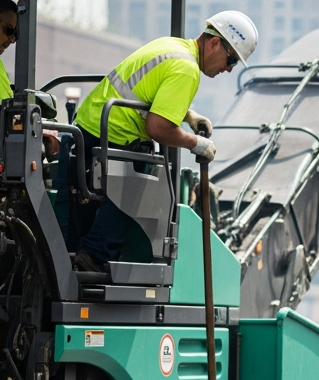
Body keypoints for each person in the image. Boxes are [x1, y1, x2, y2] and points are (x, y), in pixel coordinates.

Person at [68, 11, 258, 272]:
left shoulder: (172, 45)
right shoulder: (188, 69)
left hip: (89, 125)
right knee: (142, 185)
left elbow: (147, 90)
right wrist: (196, 144)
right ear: (214, 43)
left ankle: (79, 247)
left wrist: (188, 115)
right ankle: (94, 254)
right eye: (232, 60)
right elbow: (158, 127)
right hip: (115, 134)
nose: (228, 69)